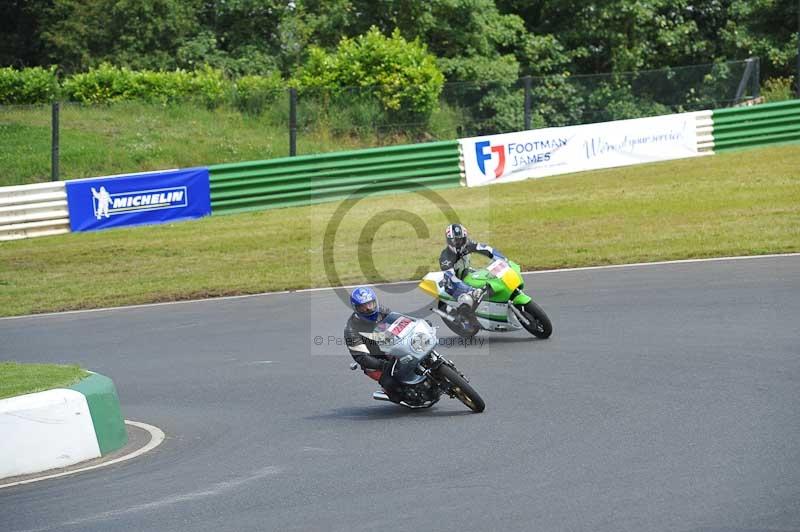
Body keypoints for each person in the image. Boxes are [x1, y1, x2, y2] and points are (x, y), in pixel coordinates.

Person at [344, 286, 403, 402]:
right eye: (363, 307)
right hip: (374, 361)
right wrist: (383, 365)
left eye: (370, 304)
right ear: (356, 308)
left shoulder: (381, 310)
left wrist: (417, 324)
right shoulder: (351, 329)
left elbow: (399, 320)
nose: (368, 309)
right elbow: (361, 357)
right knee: (393, 386)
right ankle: (393, 393)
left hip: (390, 348)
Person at [439, 223, 506, 306]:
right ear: (448, 241)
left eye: (460, 240)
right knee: (468, 300)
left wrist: (502, 259)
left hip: (465, 273)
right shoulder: (445, 257)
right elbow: (452, 278)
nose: (457, 243)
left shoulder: (468, 245)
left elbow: (487, 249)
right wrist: (471, 290)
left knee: (486, 277)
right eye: (454, 240)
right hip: (453, 285)